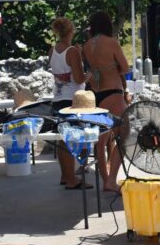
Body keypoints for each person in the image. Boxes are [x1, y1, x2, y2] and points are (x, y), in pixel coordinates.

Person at [82, 11, 131, 194]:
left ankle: (105, 180)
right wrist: (112, 68)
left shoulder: (86, 46)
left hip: (96, 93)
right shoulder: (112, 43)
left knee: (100, 141)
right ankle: (111, 180)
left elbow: (91, 71)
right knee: (123, 136)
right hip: (113, 93)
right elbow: (125, 68)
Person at [46, 17, 90, 189]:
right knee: (70, 139)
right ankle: (72, 179)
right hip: (72, 99)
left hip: (57, 98)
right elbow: (78, 78)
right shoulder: (72, 51)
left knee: (62, 139)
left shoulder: (52, 50)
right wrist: (89, 75)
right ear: (71, 31)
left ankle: (66, 176)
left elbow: (59, 71)